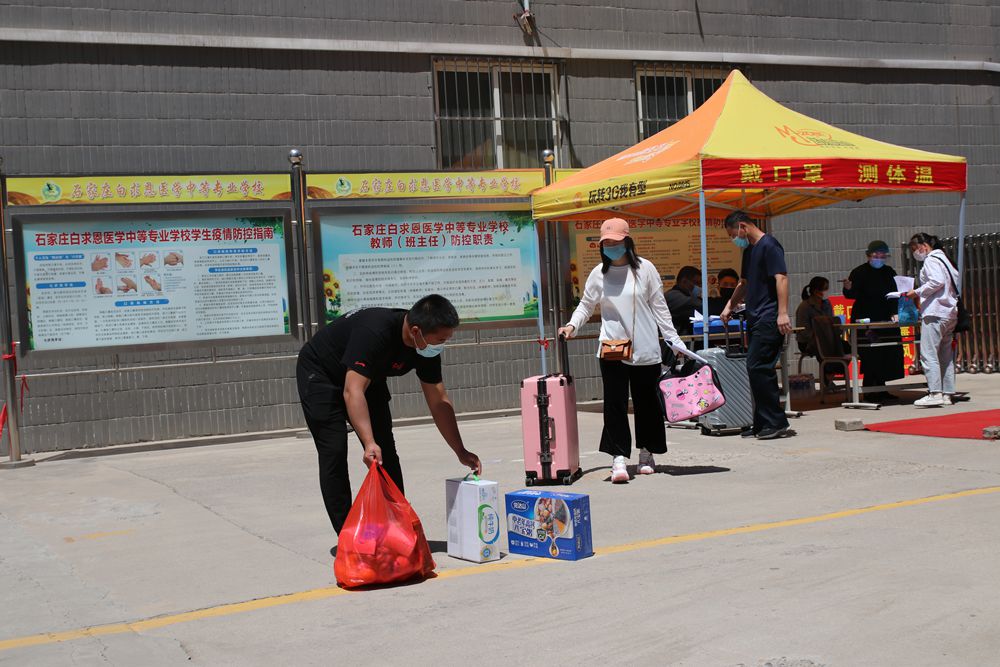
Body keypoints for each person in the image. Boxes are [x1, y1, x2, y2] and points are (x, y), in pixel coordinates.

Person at [296, 294, 482, 545]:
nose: (442, 344)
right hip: (321, 373)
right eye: (441, 339)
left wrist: (460, 450)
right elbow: (353, 391)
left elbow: (439, 402)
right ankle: (348, 538)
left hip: (368, 378)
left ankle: (397, 527)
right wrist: (368, 441)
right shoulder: (374, 332)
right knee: (334, 449)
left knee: (386, 451)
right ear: (416, 331)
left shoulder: (424, 348)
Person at [558, 218, 687, 484]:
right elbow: (585, 305)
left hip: (646, 347)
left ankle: (646, 453)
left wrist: (674, 340)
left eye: (616, 242)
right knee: (615, 403)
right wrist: (572, 325)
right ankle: (618, 457)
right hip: (613, 347)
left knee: (647, 403)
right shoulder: (599, 274)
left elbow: (660, 308)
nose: (611, 247)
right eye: (606, 243)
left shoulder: (645, 269)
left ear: (627, 241)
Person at [720, 211, 792, 440]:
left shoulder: (770, 245)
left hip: (769, 317)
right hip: (754, 317)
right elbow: (744, 282)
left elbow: (781, 278)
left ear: (743, 226)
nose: (735, 239)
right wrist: (729, 305)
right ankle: (762, 422)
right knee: (755, 369)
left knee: (758, 367)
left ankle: (776, 421)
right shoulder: (749, 251)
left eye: (734, 234)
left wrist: (782, 313)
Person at [842, 240, 905, 404]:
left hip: (885, 318)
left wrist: (895, 313)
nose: (879, 258)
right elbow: (851, 295)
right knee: (870, 354)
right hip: (866, 319)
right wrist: (848, 288)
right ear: (868, 255)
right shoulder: (859, 272)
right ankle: (870, 390)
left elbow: (894, 294)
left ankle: (882, 389)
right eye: (876, 255)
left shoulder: (889, 271)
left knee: (887, 352)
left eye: (882, 255)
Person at [904, 233, 960, 407]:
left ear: (923, 246)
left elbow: (936, 281)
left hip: (935, 312)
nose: (915, 253)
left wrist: (917, 292)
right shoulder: (947, 260)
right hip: (949, 313)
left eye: (915, 249)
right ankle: (947, 393)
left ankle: (935, 392)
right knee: (945, 355)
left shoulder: (931, 260)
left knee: (928, 354)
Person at [795, 276, 845, 390]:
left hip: (827, 340)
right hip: (807, 342)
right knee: (823, 347)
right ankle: (827, 379)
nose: (827, 291)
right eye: (825, 288)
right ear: (816, 291)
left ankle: (833, 375)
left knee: (845, 346)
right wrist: (818, 337)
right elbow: (803, 330)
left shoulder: (827, 304)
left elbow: (832, 322)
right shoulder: (805, 307)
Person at [665, 265, 702, 336]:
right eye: (696, 283)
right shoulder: (673, 296)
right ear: (684, 281)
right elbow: (699, 305)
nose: (699, 287)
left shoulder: (685, 296)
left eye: (700, 284)